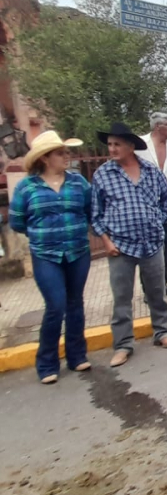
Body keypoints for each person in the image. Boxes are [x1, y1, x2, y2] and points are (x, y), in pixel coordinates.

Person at [9, 131, 92, 383]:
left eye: (66, 152)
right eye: (60, 153)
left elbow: (89, 211)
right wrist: (43, 235)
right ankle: (47, 364)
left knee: (75, 303)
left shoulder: (78, 183)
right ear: (45, 158)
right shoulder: (27, 187)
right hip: (46, 255)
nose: (66, 157)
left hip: (78, 251)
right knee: (56, 305)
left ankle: (77, 356)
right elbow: (17, 221)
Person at [91, 122, 167, 367]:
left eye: (117, 144)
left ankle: (162, 332)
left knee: (156, 292)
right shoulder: (103, 175)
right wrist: (106, 241)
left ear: (130, 146)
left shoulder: (150, 171)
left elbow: (166, 196)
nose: (112, 148)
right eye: (110, 144)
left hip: (151, 243)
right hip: (120, 247)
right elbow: (95, 214)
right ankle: (123, 344)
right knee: (122, 298)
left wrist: (159, 222)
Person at [137, 112, 167, 295]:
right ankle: (149, 290)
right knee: (148, 249)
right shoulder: (140, 145)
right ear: (157, 127)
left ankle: (162, 285)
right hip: (147, 208)